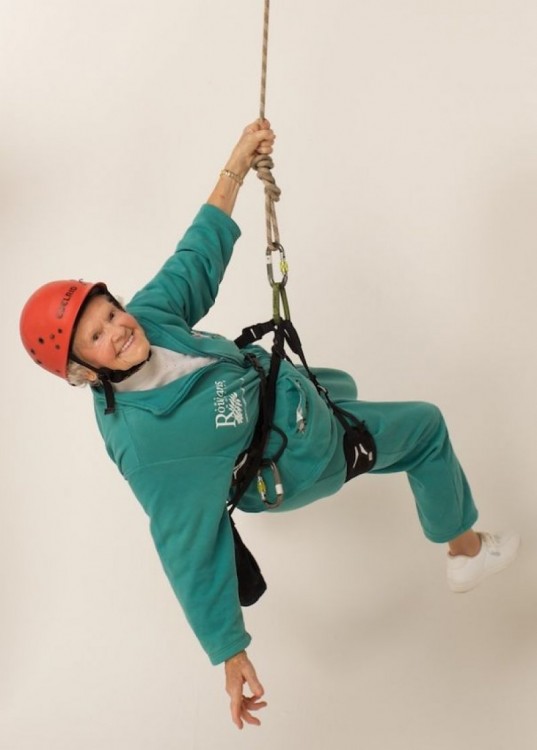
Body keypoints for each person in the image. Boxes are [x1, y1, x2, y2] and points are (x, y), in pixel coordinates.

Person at [19, 119, 520, 730]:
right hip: (301, 457)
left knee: (347, 387)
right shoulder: (150, 446)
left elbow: (195, 256)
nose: (120, 328)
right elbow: (188, 548)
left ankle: (346, 425)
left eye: (111, 312)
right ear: (82, 371)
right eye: (97, 336)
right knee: (424, 429)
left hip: (284, 397)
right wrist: (230, 654)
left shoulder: (148, 319)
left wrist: (235, 164)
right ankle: (465, 549)